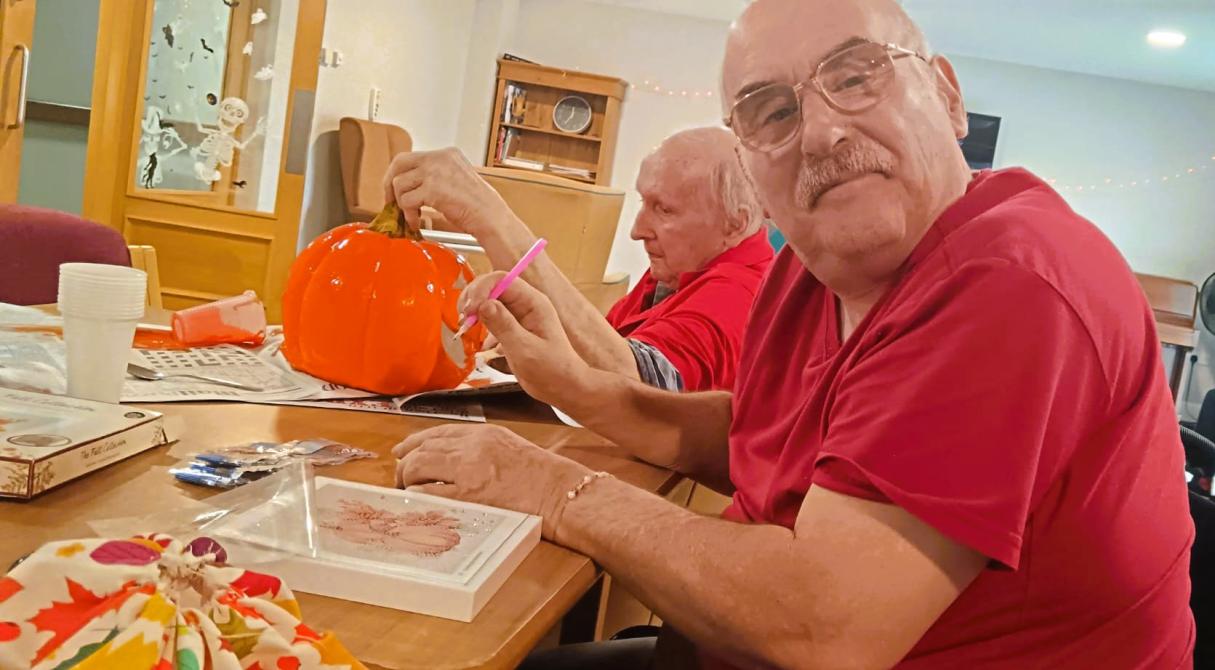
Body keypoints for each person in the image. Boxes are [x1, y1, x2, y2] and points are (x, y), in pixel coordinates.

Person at [393, 0, 1196, 667]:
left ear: (946, 97)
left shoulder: (1011, 278)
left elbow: (825, 627)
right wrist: (580, 389)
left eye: (855, 76)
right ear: (751, 160)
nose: (819, 133)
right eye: (772, 111)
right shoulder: (809, 270)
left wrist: (551, 489)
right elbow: (764, 439)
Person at [382, 127, 772, 392]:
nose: (637, 230)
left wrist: (492, 218)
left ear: (734, 224)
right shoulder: (682, 268)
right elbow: (597, 357)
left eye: (664, 209)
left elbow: (637, 393)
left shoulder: (739, 296)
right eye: (644, 203)